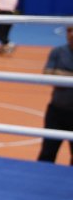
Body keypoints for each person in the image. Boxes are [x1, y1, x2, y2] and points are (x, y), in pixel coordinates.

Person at [37, 25, 73, 164]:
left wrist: (61, 75)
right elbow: (48, 76)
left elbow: (55, 75)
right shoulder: (57, 52)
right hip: (56, 112)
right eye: (69, 30)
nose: (71, 34)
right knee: (47, 153)